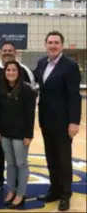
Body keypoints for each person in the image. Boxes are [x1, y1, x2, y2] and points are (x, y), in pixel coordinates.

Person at [34, 31, 81, 211]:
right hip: (46, 120)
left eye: (56, 43)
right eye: (50, 42)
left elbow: (74, 96)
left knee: (63, 159)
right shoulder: (41, 63)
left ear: (62, 45)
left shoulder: (70, 66)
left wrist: (74, 122)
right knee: (51, 157)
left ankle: (65, 195)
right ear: (45, 45)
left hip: (63, 122)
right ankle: (54, 190)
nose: (53, 46)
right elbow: (32, 79)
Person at [0, 41, 35, 194]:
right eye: (4, 50)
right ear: (0, 52)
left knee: (19, 160)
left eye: (10, 50)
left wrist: (28, 131)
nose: (7, 52)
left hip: (19, 126)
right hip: (0, 124)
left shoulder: (25, 71)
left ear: (16, 52)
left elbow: (32, 97)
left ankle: (18, 188)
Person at [0, 61, 36, 209]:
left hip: (20, 134)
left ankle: (21, 194)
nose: (11, 72)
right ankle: (11, 191)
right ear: (5, 72)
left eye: (14, 70)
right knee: (10, 164)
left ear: (19, 72)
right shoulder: (1, 88)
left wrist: (29, 135)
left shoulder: (27, 90)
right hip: (5, 133)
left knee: (21, 164)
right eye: (8, 70)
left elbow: (30, 115)